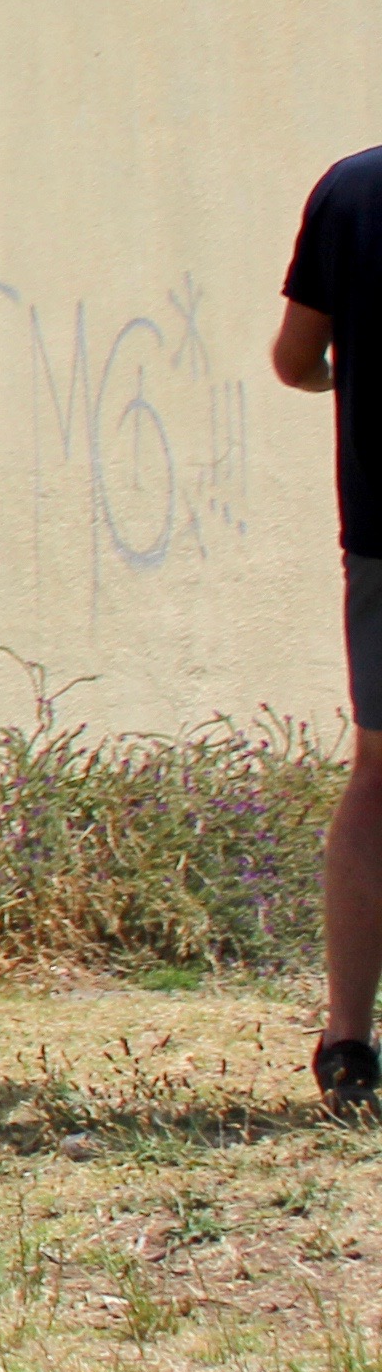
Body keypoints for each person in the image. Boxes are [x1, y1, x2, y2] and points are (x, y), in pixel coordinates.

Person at [274, 150, 382, 1119]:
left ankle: (349, 1043)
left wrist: (346, 378)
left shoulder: (349, 194)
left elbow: (292, 360)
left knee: (376, 781)